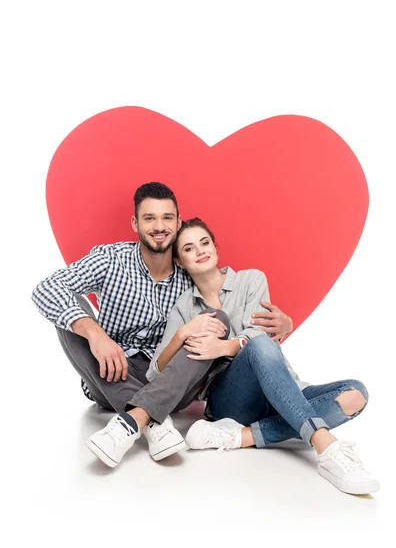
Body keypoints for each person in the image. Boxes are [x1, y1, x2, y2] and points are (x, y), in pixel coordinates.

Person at [32, 182, 292, 464]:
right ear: (135, 223)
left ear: (178, 222)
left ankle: (134, 421)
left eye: (167, 218)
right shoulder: (111, 259)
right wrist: (96, 335)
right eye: (149, 218)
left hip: (172, 377)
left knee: (213, 319)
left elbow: (228, 308)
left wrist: (285, 322)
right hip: (110, 370)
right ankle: (155, 421)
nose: (159, 226)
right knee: (70, 314)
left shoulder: (189, 269)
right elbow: (46, 289)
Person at [148, 218, 380, 495]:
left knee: (355, 393)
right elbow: (154, 373)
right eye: (189, 248)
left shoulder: (251, 280)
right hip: (230, 402)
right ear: (181, 262)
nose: (200, 250)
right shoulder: (184, 305)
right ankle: (326, 446)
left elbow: (259, 333)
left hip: (283, 391)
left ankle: (240, 437)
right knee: (259, 345)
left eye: (205, 242)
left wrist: (222, 347)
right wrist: (182, 334)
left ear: (216, 247)